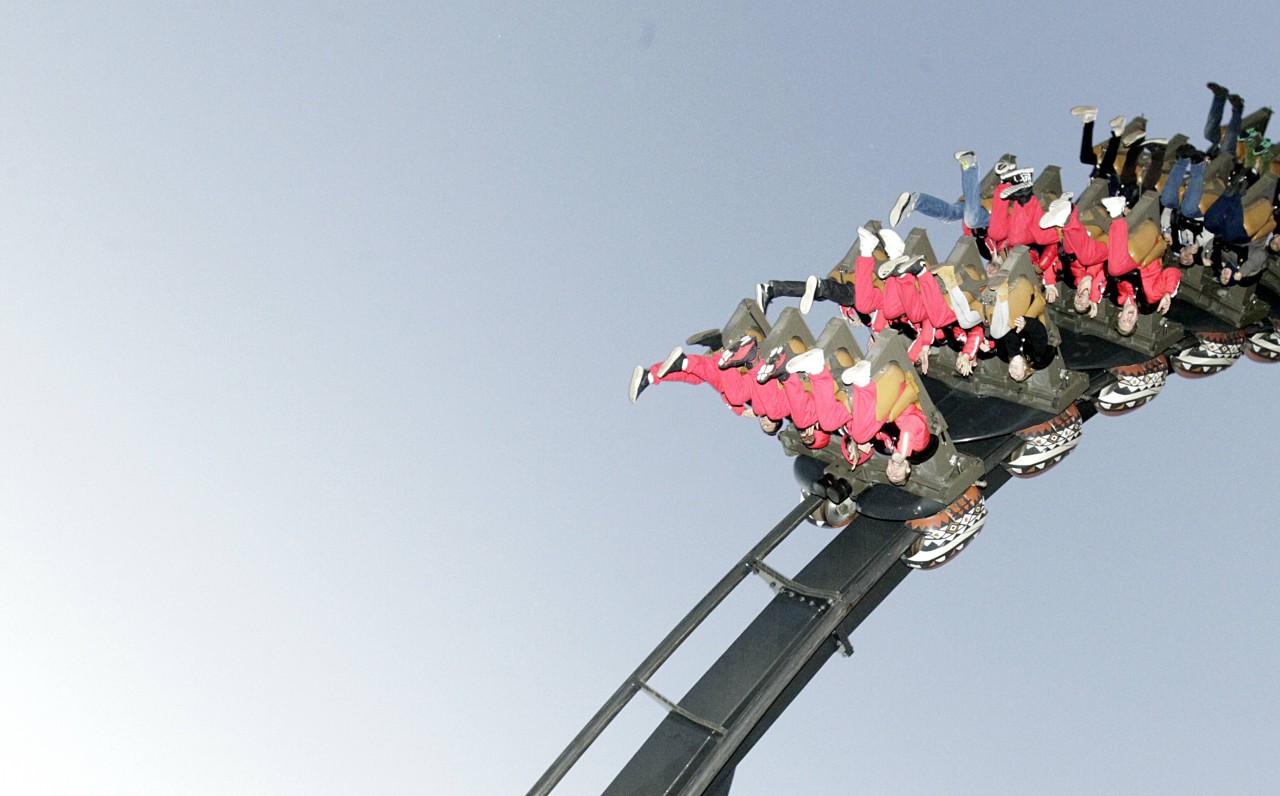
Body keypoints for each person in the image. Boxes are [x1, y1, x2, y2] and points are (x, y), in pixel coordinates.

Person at [1101, 197, 1179, 335]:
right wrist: (1167, 293)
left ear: (1119, 315)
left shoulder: (1114, 295)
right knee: (1116, 268)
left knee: (1089, 254)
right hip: (1145, 248)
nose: (1129, 318)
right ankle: (1117, 215)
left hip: (1125, 250)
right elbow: (1173, 272)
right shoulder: (1150, 300)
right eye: (1131, 323)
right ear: (1137, 319)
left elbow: (1102, 272)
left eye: (1125, 321)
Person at [1159, 144, 1214, 269]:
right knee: (1187, 210)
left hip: (1177, 210)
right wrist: (1198, 243)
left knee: (1166, 200)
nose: (1186, 258)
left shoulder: (1174, 243)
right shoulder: (1200, 245)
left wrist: (1166, 231)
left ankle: (1183, 159)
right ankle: (1197, 165)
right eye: (1189, 261)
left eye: (1183, 260)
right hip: (1196, 215)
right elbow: (1211, 231)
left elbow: (1167, 217)